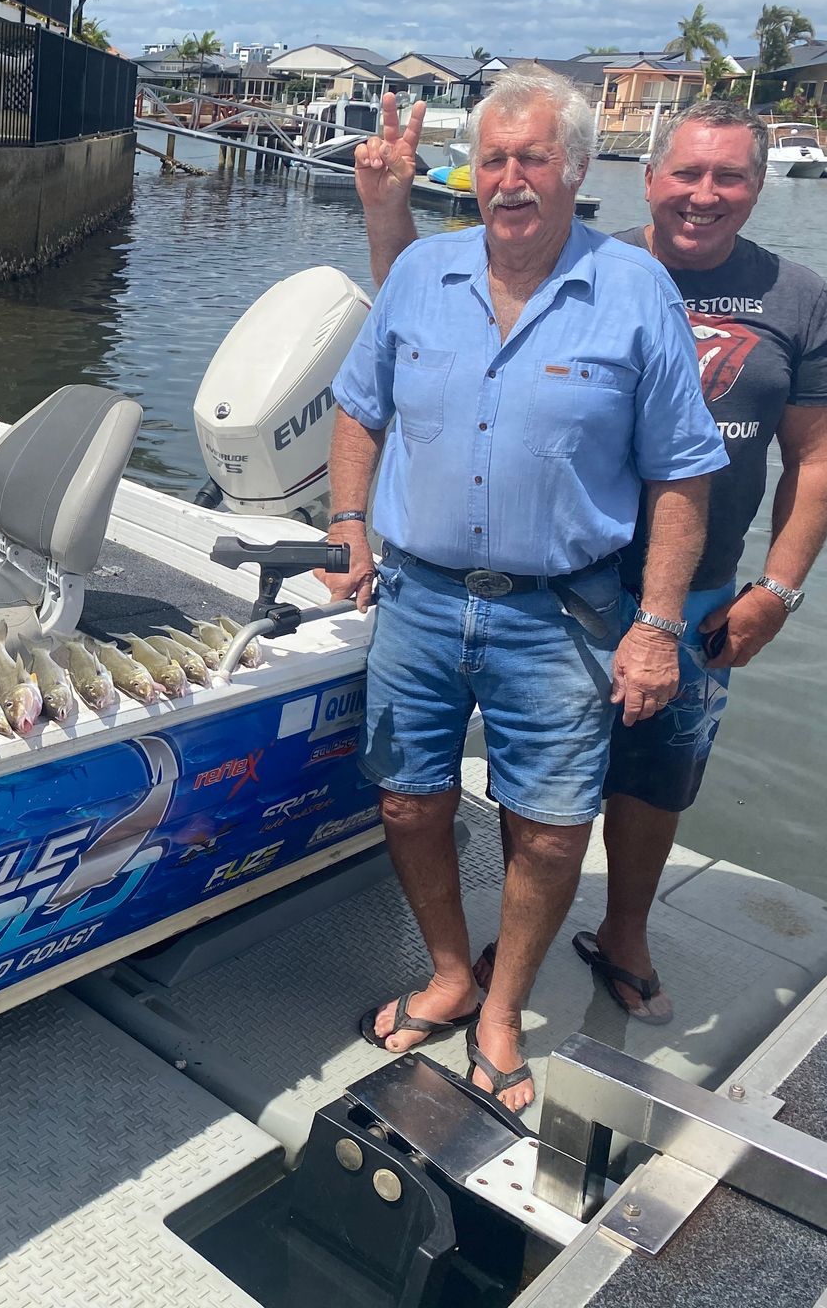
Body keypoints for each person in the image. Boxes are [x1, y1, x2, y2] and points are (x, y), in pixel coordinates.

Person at [355, 92, 827, 1024]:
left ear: (758, 186)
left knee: (652, 778)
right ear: (647, 178)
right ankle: (504, 957)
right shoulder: (586, 257)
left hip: (689, 587)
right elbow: (427, 327)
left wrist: (776, 590)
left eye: (730, 176)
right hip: (561, 581)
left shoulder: (793, 297)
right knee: (544, 797)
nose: (704, 195)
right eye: (687, 174)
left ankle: (623, 931)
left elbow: (816, 458)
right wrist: (388, 211)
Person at [317, 69, 728, 1112]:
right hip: (416, 596)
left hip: (563, 611)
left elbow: (683, 472)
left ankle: (502, 1009)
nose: (509, 181)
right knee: (411, 801)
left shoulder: (636, 292)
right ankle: (451, 970)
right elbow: (360, 409)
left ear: (577, 170)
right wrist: (351, 523)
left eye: (532, 159)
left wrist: (657, 626)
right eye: (493, 159)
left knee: (548, 826)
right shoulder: (420, 276)